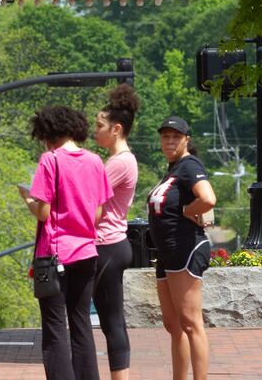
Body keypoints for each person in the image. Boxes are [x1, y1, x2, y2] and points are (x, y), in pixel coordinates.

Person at [18, 106, 112, 380]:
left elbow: (44, 212)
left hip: (55, 256)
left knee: (56, 327)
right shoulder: (95, 161)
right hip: (86, 253)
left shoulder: (50, 160)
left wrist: (27, 199)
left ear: (49, 133)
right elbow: (98, 213)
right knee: (81, 323)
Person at [148, 116, 216, 380]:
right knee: (173, 324)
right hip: (167, 252)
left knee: (190, 323)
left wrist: (189, 210)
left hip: (185, 248)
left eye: (176, 136)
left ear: (187, 139)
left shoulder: (189, 166)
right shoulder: (173, 169)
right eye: (165, 136)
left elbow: (208, 198)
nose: (170, 141)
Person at [92, 84, 140, 380]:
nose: (94, 131)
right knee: (111, 320)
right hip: (110, 244)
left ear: (116, 129)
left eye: (99, 125)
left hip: (108, 244)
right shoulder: (117, 161)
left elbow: (92, 203)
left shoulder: (119, 163)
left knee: (112, 320)